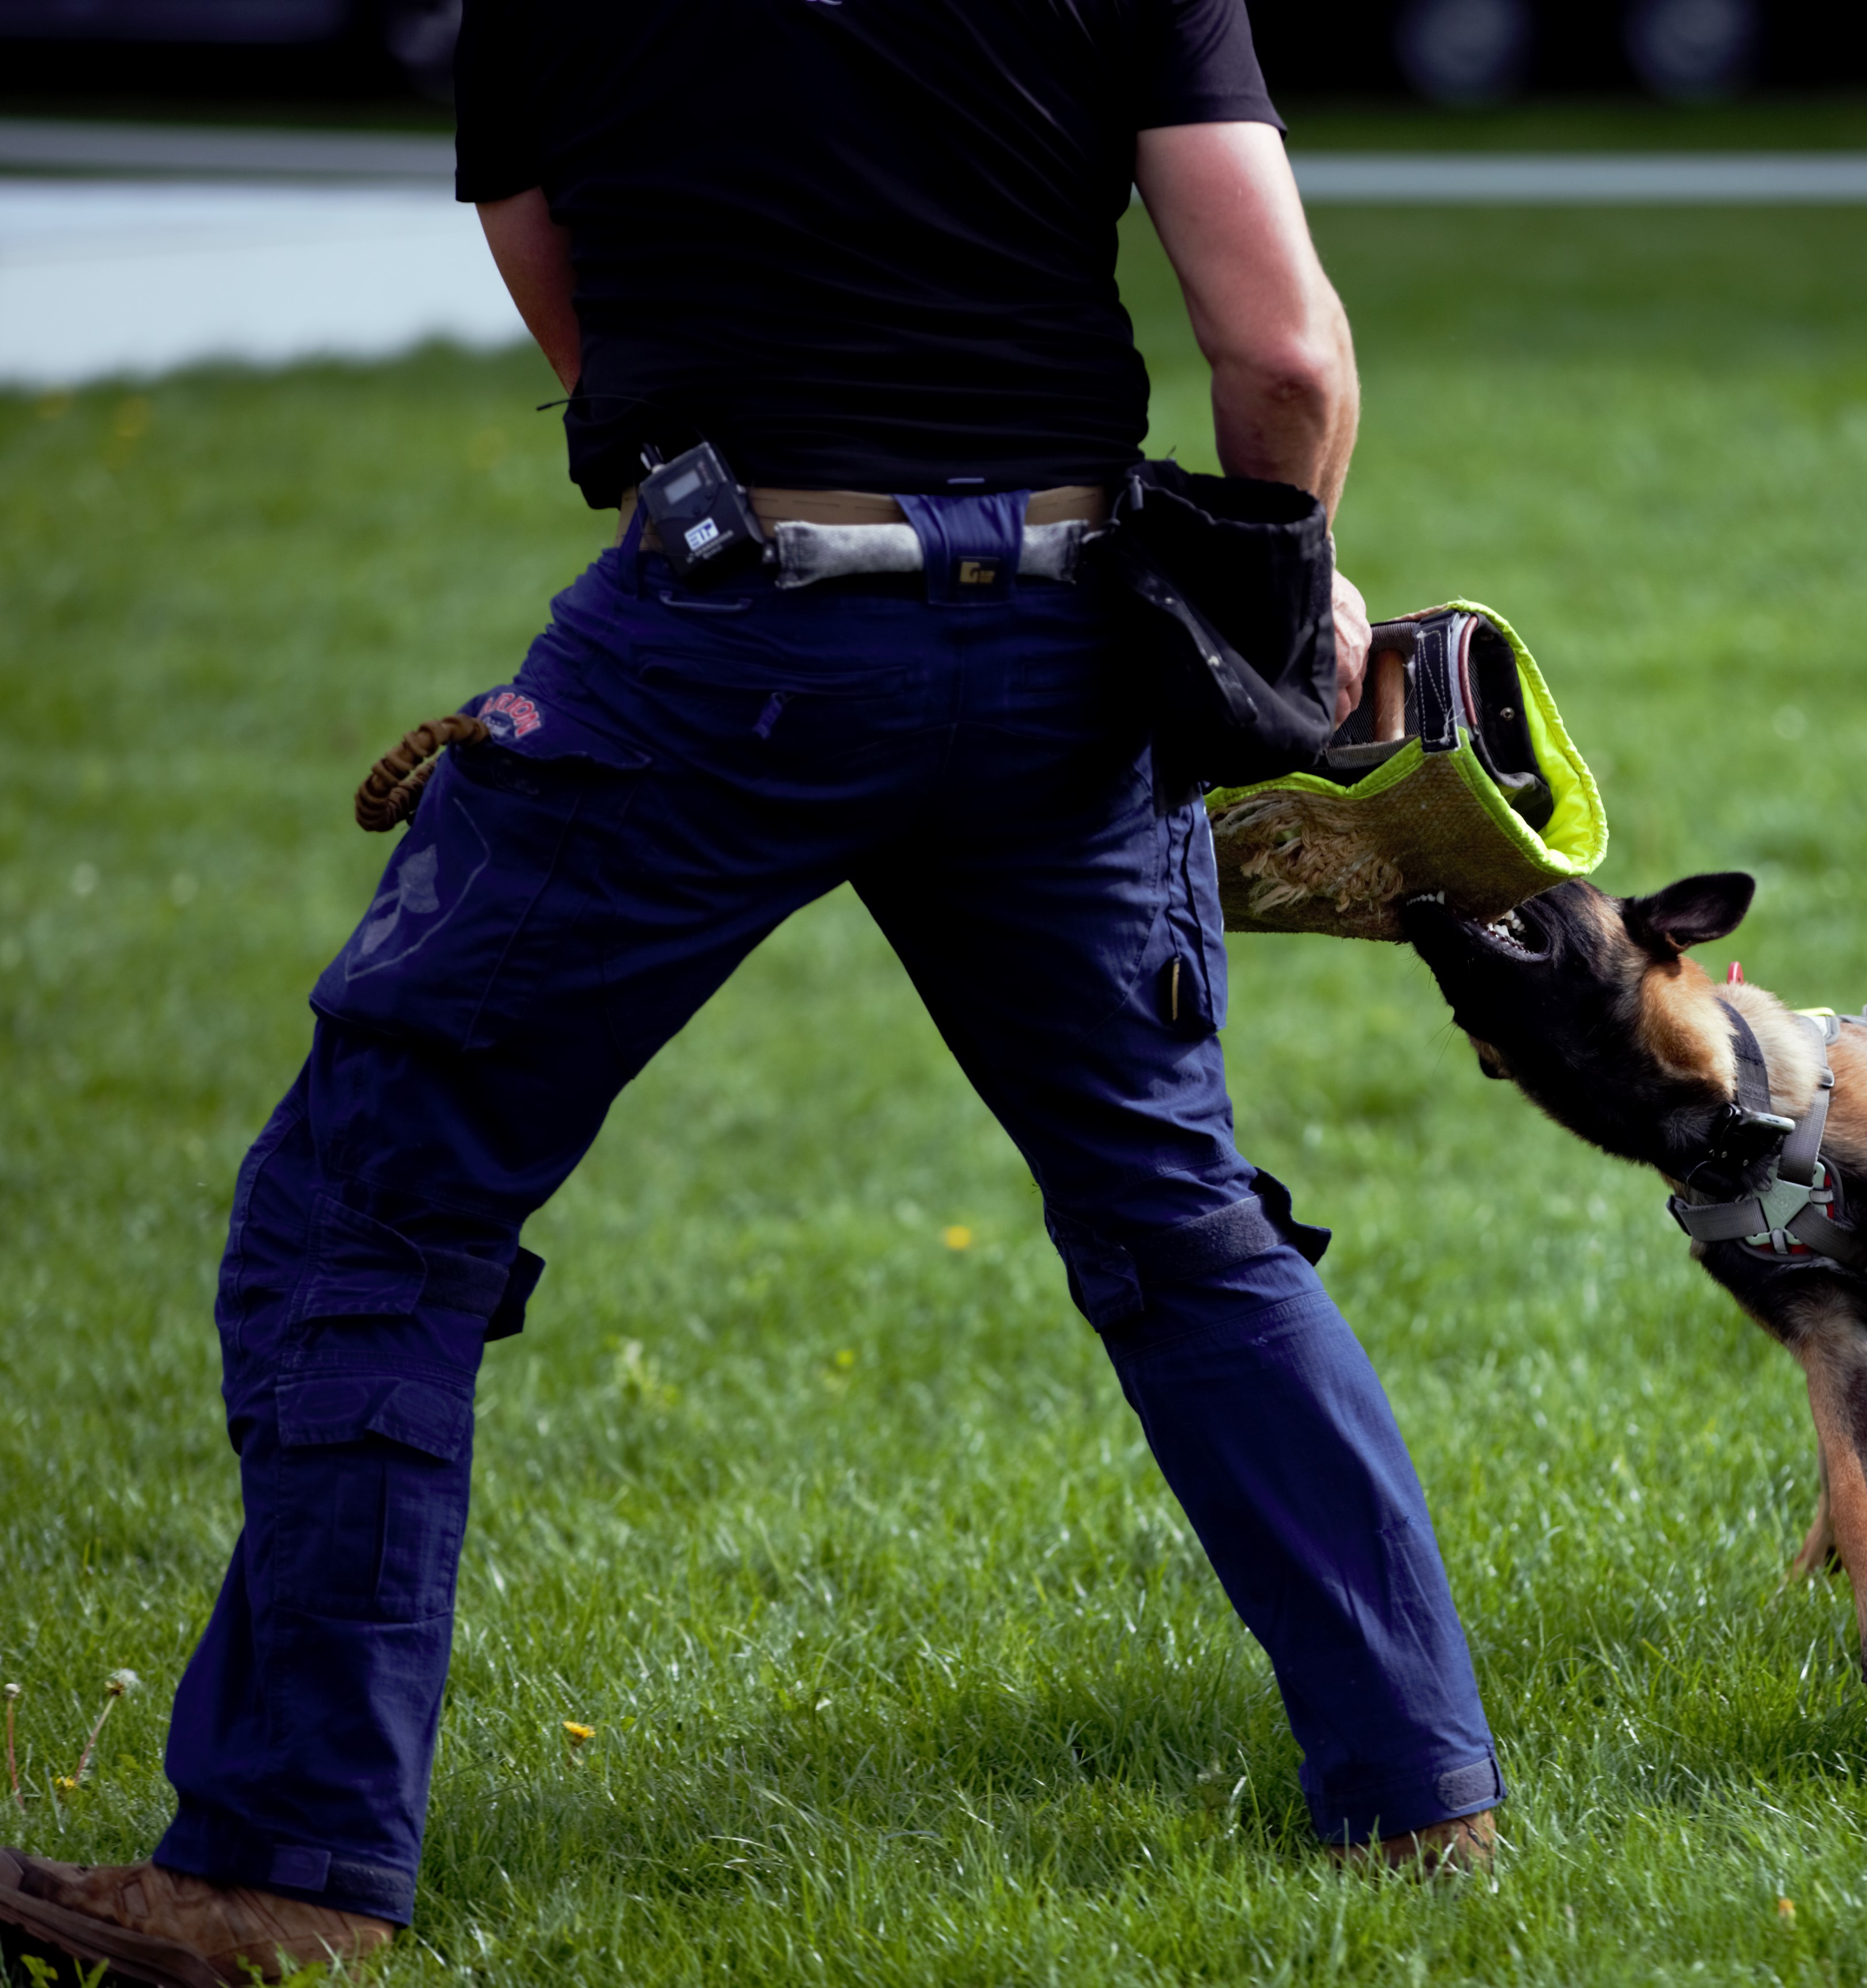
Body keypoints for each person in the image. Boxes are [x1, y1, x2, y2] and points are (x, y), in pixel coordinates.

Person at [0, 3, 1502, 1979]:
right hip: (1062, 649)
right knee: (1179, 1216)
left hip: (730, 635)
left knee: (367, 1215)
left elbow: (581, 319)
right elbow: (1284, 350)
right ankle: (1423, 1803)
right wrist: (1281, 583)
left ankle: (285, 1875)